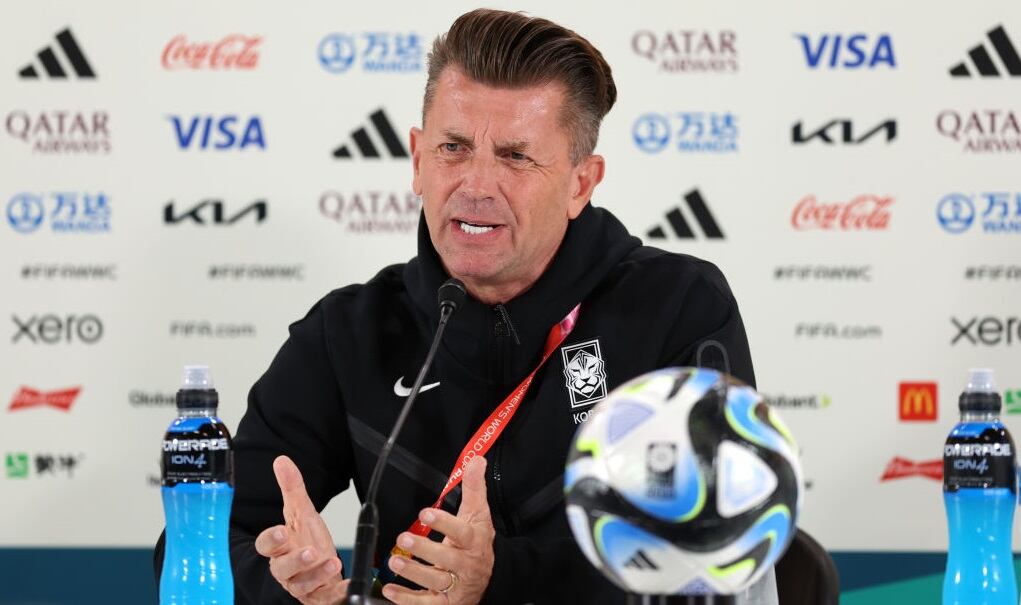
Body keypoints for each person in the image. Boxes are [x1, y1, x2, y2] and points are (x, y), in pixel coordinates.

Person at [154, 8, 756, 605]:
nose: (475, 184)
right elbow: (190, 545)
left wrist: (500, 577)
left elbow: (716, 546)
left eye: (516, 156)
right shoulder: (347, 333)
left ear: (581, 182)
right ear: (418, 159)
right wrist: (284, 583)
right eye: (454, 147)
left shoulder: (678, 307)